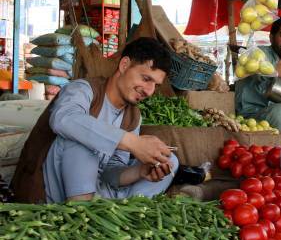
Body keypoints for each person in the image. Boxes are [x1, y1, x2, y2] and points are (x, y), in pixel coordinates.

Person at [12, 37, 178, 204]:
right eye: (146, 79)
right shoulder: (82, 90)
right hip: (51, 192)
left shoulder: (133, 117)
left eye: (155, 85)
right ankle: (83, 215)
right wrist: (132, 142)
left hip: (95, 191)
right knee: (80, 136)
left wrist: (140, 171)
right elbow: (63, 119)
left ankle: (126, 211)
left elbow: (110, 172)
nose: (149, 91)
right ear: (124, 65)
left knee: (169, 160)